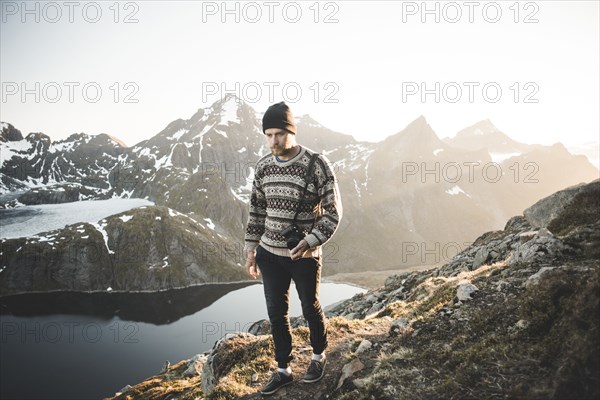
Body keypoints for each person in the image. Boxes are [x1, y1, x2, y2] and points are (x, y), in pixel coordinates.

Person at [244, 101, 343, 395]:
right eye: (269, 135)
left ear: (292, 132)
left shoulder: (317, 164)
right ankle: (283, 369)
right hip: (269, 254)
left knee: (310, 307)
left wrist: (310, 241)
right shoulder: (263, 167)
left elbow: (333, 212)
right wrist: (251, 250)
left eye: (279, 134)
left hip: (305, 256)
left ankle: (318, 356)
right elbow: (256, 212)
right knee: (276, 313)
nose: (273, 141)